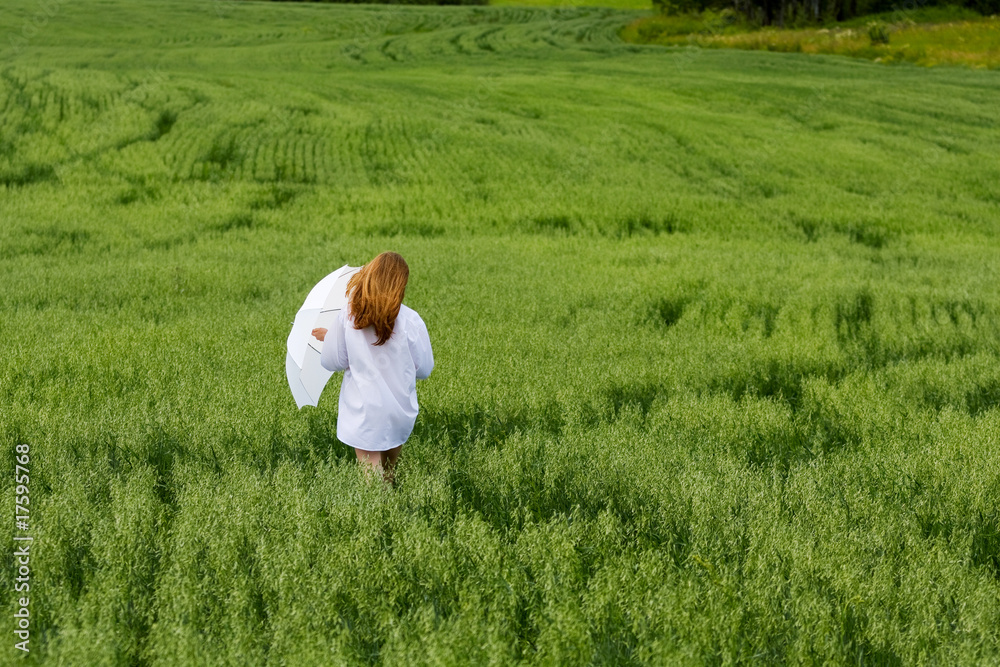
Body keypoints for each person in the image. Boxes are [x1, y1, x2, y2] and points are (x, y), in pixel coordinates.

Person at [311, 252, 433, 485]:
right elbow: (425, 369)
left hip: (364, 412)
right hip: (399, 411)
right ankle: (395, 512)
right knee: (388, 476)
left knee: (373, 483)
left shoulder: (349, 316)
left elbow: (332, 361)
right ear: (400, 284)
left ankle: (382, 517)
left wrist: (331, 339)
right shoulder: (411, 319)